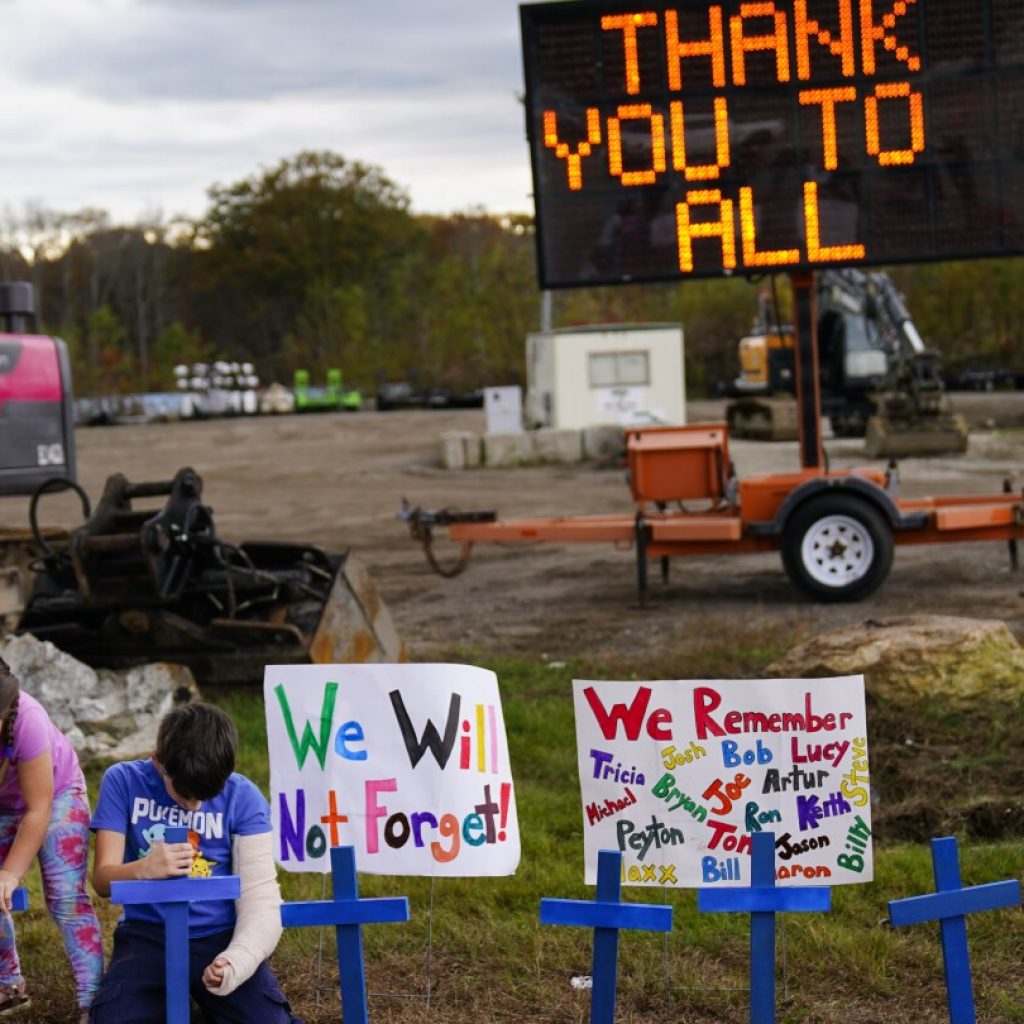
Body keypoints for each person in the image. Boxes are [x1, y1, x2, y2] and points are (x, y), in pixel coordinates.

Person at [89, 701, 301, 1023]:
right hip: (148, 935)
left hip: (220, 936)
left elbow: (260, 900)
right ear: (159, 762)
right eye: (185, 792)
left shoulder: (243, 796)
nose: (195, 805)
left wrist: (236, 960)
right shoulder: (123, 781)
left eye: (206, 794)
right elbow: (103, 881)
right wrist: (144, 868)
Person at [0, 657, 103, 1023]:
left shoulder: (29, 718)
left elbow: (39, 808)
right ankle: (9, 987)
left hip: (55, 795)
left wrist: (11, 874)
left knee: (65, 896)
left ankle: (94, 1000)